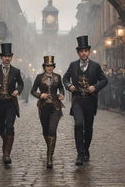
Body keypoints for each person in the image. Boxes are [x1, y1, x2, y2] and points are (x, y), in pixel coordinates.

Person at [63, 36, 108, 166]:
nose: (83, 53)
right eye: (81, 51)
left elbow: (104, 80)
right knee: (78, 124)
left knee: (88, 128)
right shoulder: (73, 65)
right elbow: (65, 78)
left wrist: (95, 87)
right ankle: (80, 154)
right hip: (77, 100)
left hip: (90, 100)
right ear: (78, 53)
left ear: (88, 52)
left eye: (86, 51)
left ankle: (86, 149)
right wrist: (69, 86)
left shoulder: (95, 66)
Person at [0, 43, 24, 165]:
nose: (7, 58)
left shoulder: (16, 71)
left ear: (11, 57)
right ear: (1, 57)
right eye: (5, 56)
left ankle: (6, 154)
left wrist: (18, 90)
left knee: (10, 126)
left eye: (9, 56)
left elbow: (21, 84)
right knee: (0, 128)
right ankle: (6, 143)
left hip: (10, 103)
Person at [31, 56, 65, 169]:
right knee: (45, 131)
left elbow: (61, 88)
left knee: (52, 130)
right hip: (43, 107)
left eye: (51, 66)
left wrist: (61, 94)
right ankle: (50, 147)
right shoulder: (39, 77)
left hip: (55, 107)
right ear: (44, 67)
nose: (49, 68)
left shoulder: (58, 77)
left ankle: (49, 157)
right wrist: (40, 95)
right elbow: (32, 91)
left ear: (54, 66)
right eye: (47, 66)